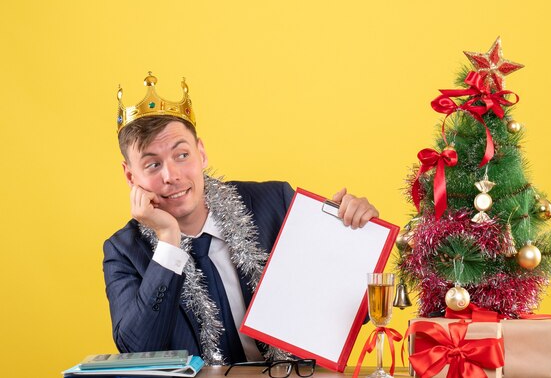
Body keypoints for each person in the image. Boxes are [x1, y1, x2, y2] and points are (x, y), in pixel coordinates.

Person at [103, 73, 380, 365]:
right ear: (131, 176)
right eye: (153, 164)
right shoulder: (123, 251)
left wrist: (353, 236)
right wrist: (168, 243)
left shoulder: (276, 203)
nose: (171, 176)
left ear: (201, 153)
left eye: (182, 155)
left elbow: (352, 313)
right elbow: (138, 350)